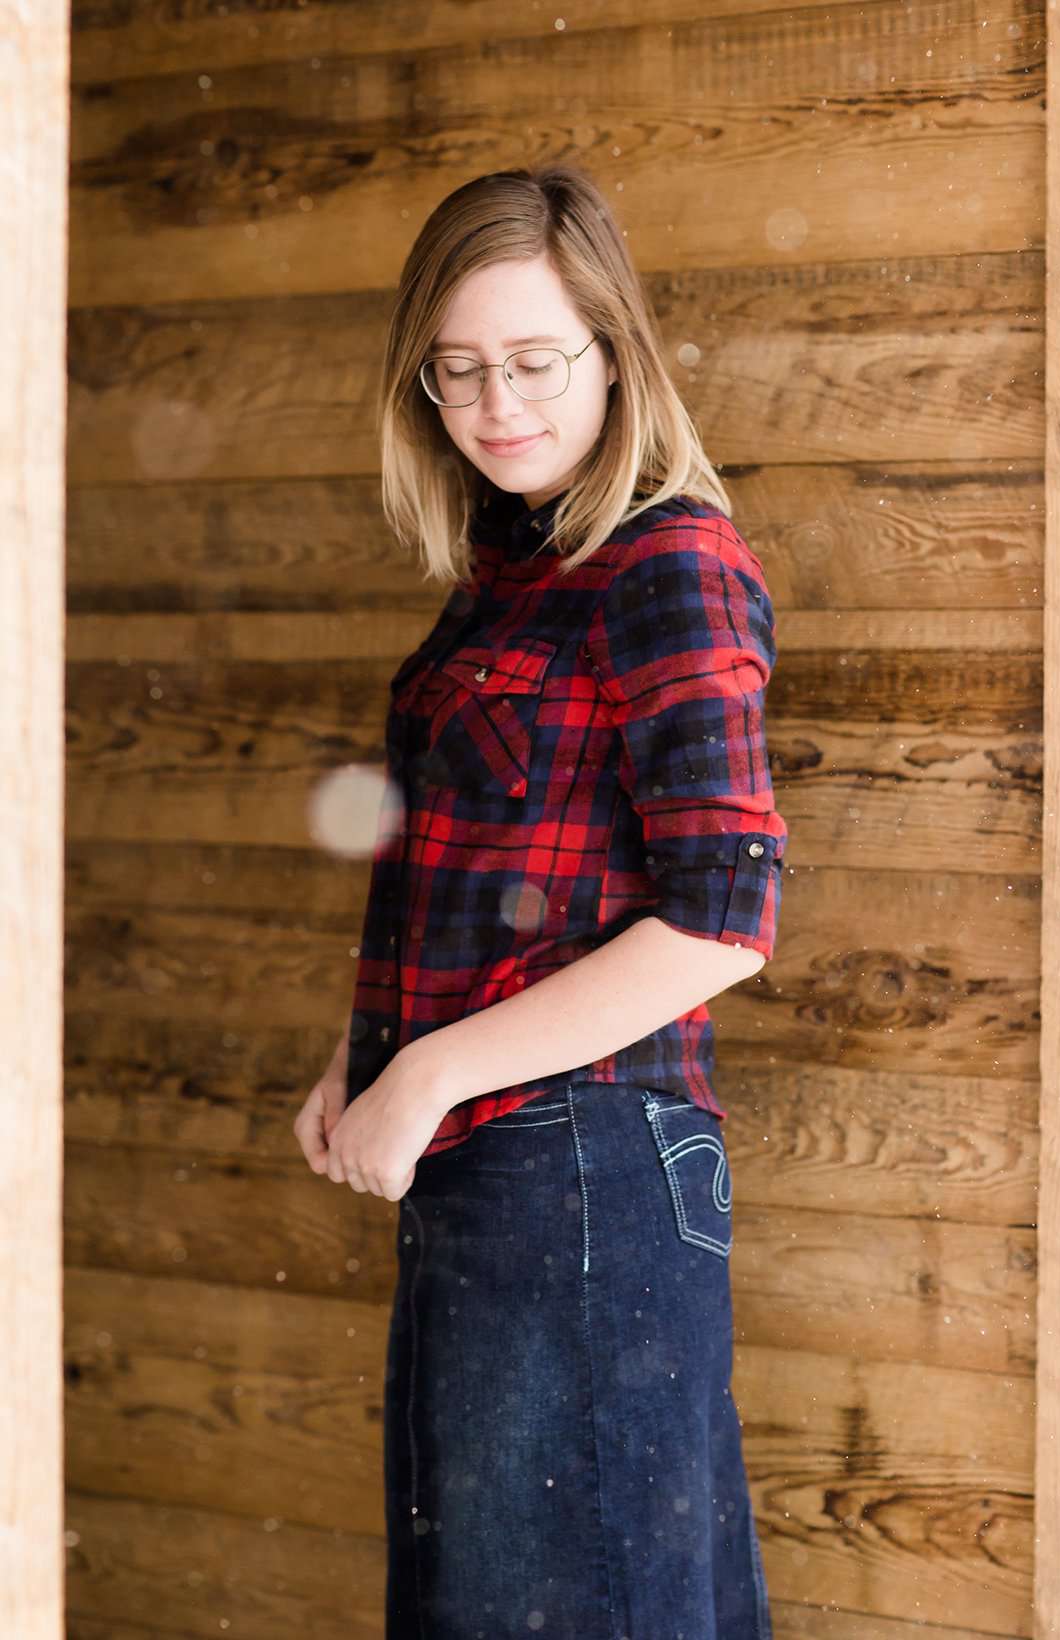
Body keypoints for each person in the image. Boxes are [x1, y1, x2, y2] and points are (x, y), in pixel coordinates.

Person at [292, 164, 786, 1639]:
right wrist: (364, 1059)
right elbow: (481, 882)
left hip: (590, 1174)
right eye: (455, 372)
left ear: (615, 355)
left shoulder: (669, 562)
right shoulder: (507, 578)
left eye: (531, 362)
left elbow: (724, 920)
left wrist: (431, 1070)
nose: (495, 404)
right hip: (499, 1171)